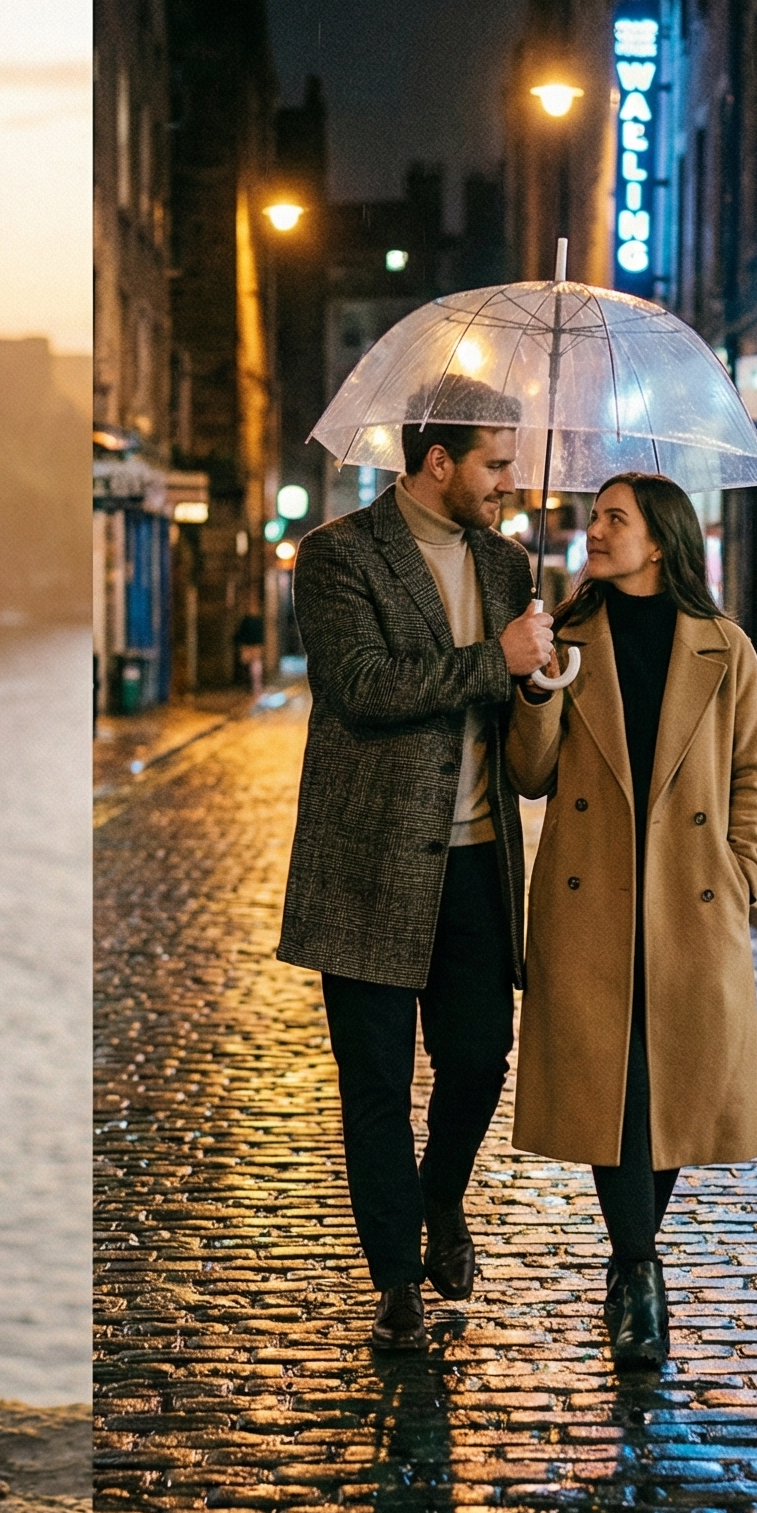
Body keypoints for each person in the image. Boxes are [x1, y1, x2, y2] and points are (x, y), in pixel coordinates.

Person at [277, 379, 557, 1351]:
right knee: (373, 1082)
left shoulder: (505, 563)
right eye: (493, 463)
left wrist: (534, 676)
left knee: (480, 1057)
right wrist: (495, 657)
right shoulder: (337, 556)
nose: (507, 481)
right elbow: (359, 687)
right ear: (437, 463)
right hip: (366, 866)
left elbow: (517, 720)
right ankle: (395, 1281)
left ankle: (442, 1197)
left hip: (477, 865)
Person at [507, 474, 757, 1369]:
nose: (595, 529)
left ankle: (632, 1273)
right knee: (611, 1086)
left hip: (691, 900)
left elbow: (756, 771)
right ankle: (639, 1272)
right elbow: (530, 774)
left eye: (613, 519)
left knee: (666, 1090)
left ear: (659, 540)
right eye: (595, 516)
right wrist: (539, 688)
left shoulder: (724, 648)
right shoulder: (568, 638)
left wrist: (742, 873)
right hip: (591, 902)